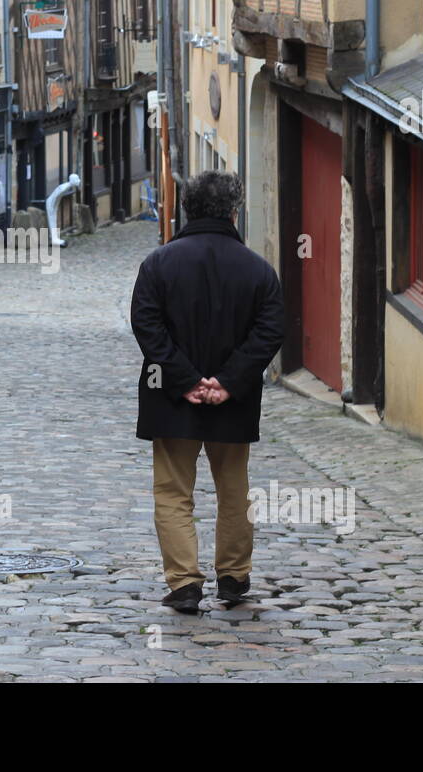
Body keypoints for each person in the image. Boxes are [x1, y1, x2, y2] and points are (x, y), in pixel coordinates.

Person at [130, 170, 285, 614]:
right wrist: (228, 382)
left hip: (169, 397)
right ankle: (234, 576)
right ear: (234, 211)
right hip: (232, 403)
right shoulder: (258, 270)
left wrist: (185, 381)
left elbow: (148, 326)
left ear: (187, 208)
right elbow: (269, 330)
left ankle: (184, 583)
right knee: (234, 489)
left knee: (173, 492)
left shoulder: (158, 265)